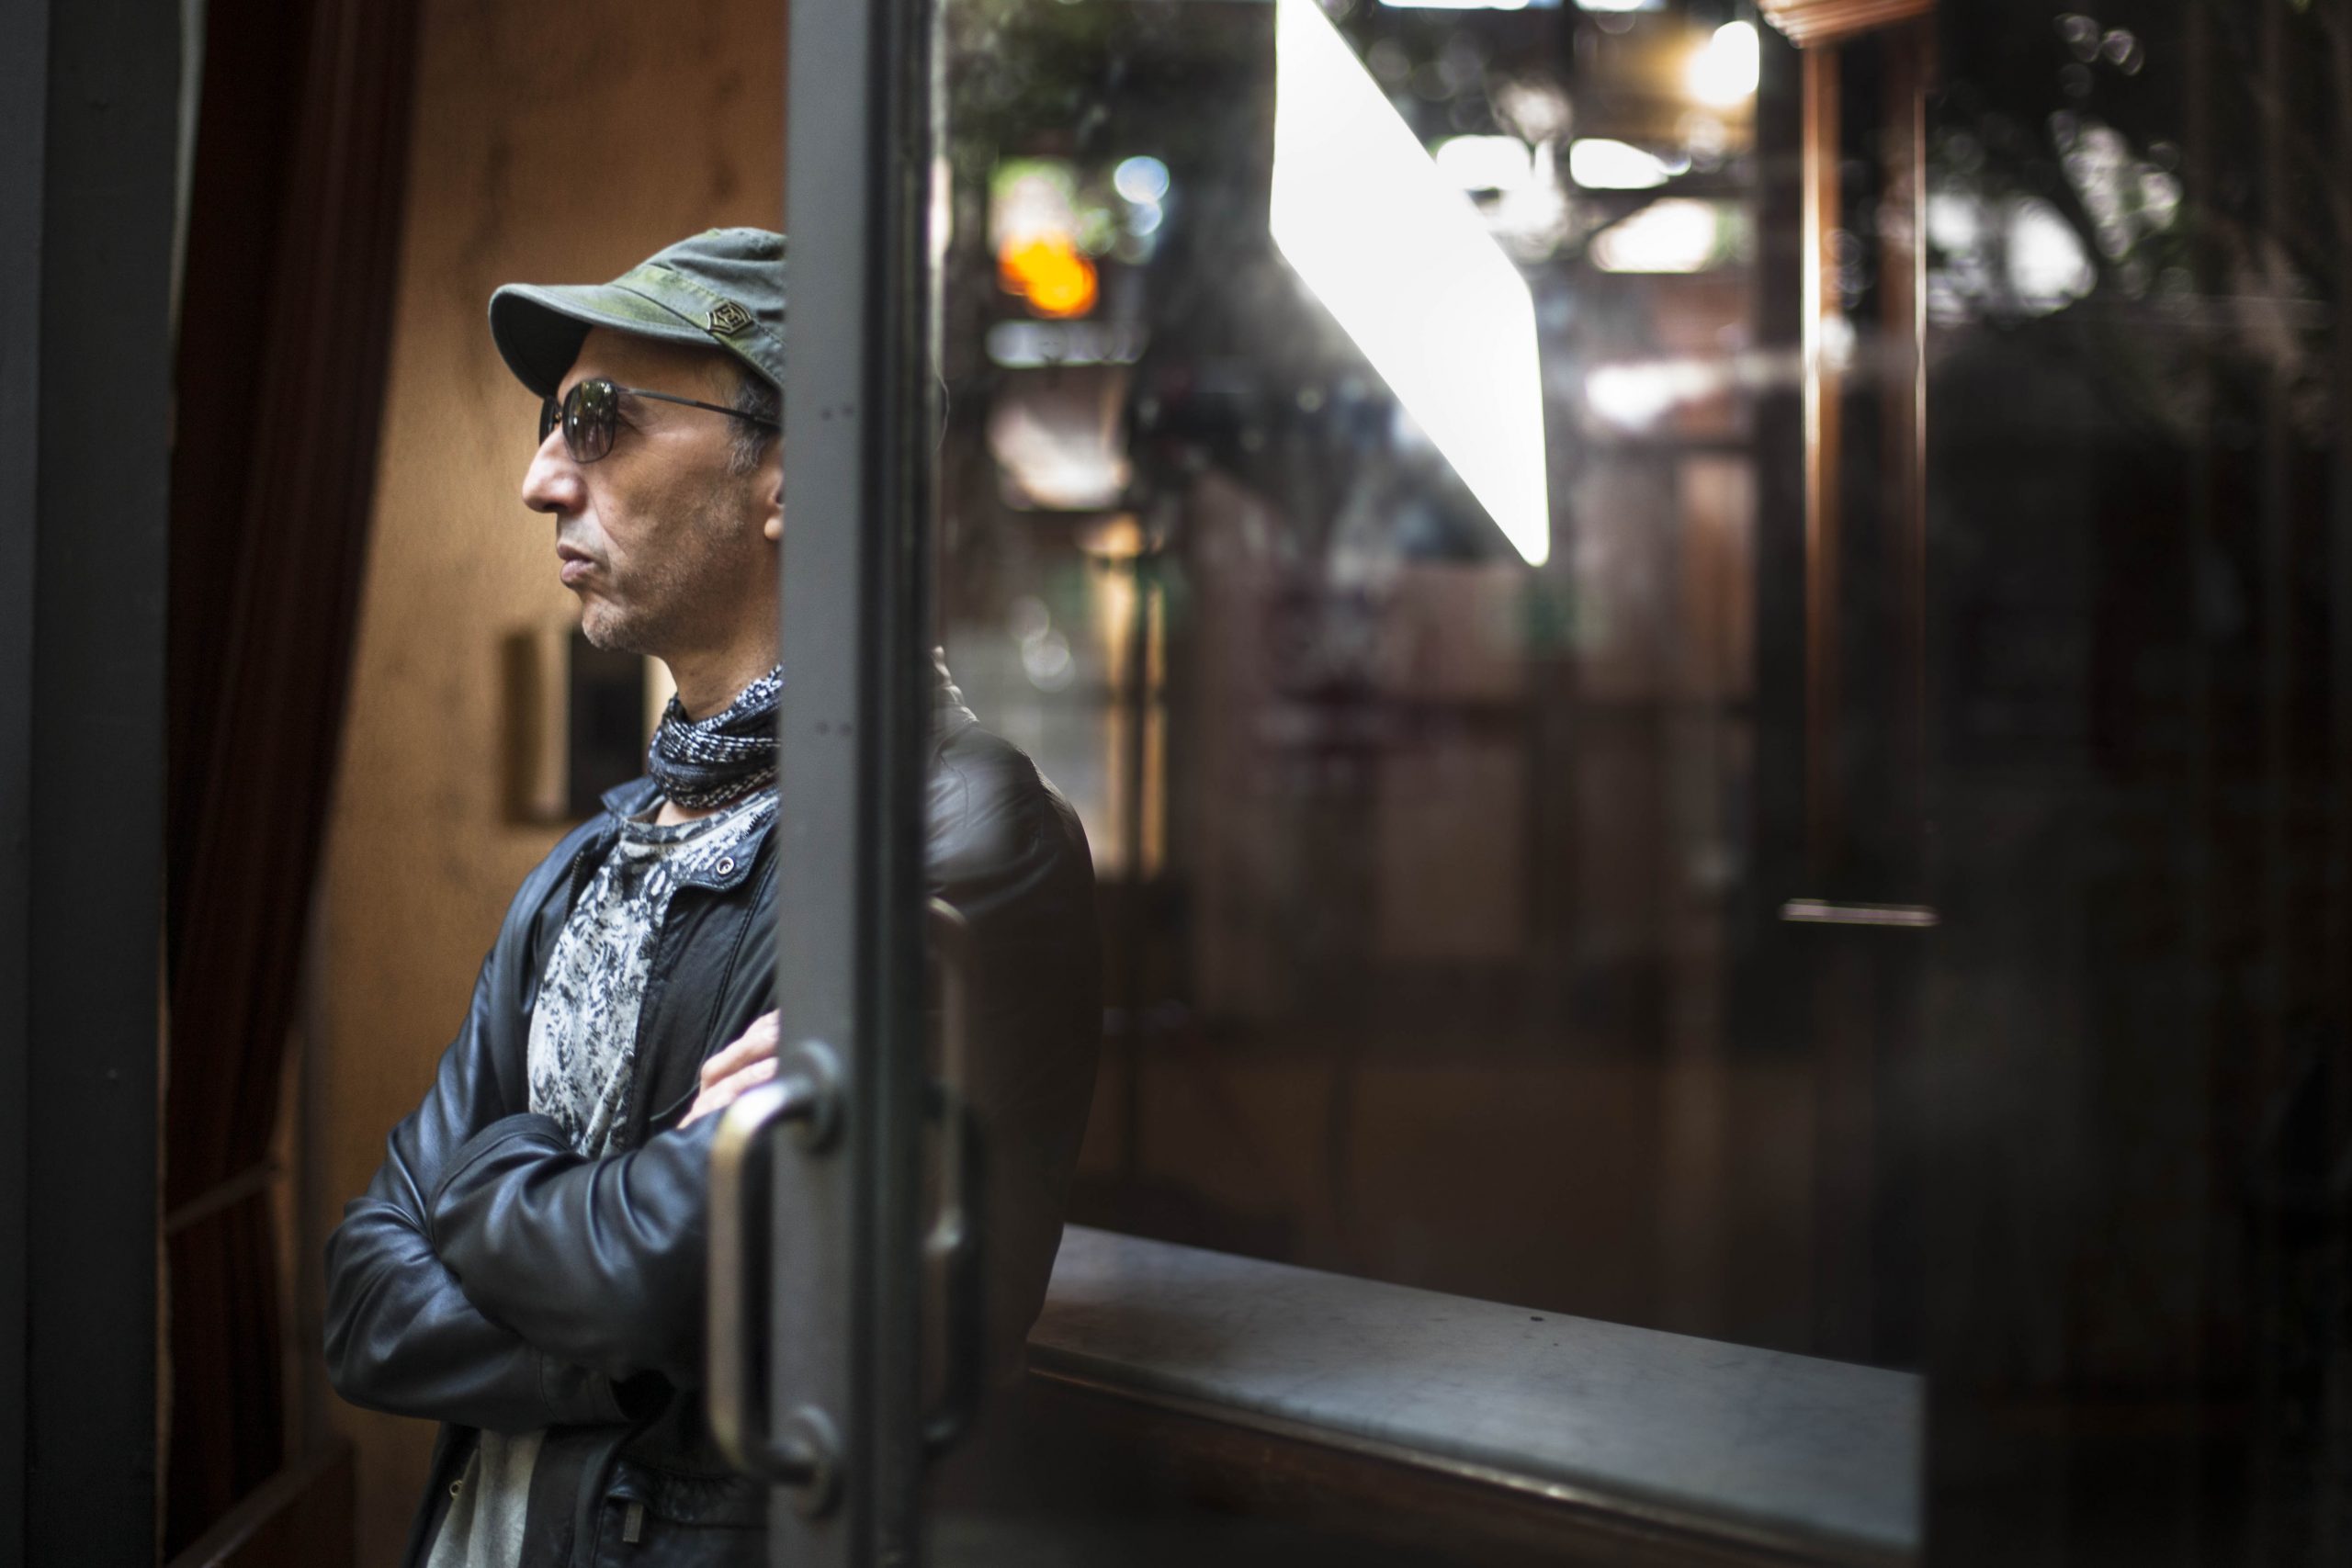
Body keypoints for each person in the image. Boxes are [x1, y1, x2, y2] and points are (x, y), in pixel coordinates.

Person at [323, 227, 1101, 1568]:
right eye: (550, 421)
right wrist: (621, 1340)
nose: (539, 478)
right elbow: (363, 1300)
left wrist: (492, 1172)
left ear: (794, 478)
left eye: (596, 420)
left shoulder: (959, 832)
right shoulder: (596, 860)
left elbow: (668, 1269)